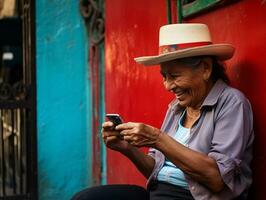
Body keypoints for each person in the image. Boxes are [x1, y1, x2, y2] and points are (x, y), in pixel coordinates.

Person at [72, 23, 254, 200]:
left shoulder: (232, 103)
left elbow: (217, 179)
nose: (168, 86)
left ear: (205, 68)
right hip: (159, 193)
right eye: (164, 77)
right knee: (86, 197)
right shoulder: (177, 107)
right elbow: (156, 170)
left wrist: (158, 138)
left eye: (174, 76)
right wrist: (127, 148)